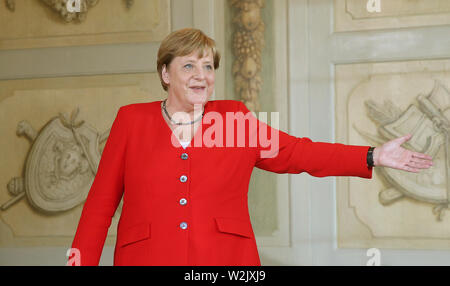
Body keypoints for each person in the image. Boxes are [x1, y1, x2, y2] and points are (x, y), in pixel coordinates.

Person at [69, 28, 433, 266]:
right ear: (165, 74)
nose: (201, 76)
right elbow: (101, 203)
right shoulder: (131, 120)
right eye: (189, 66)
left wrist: (372, 155)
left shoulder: (232, 119)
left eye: (209, 66)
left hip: (224, 262)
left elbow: (298, 152)